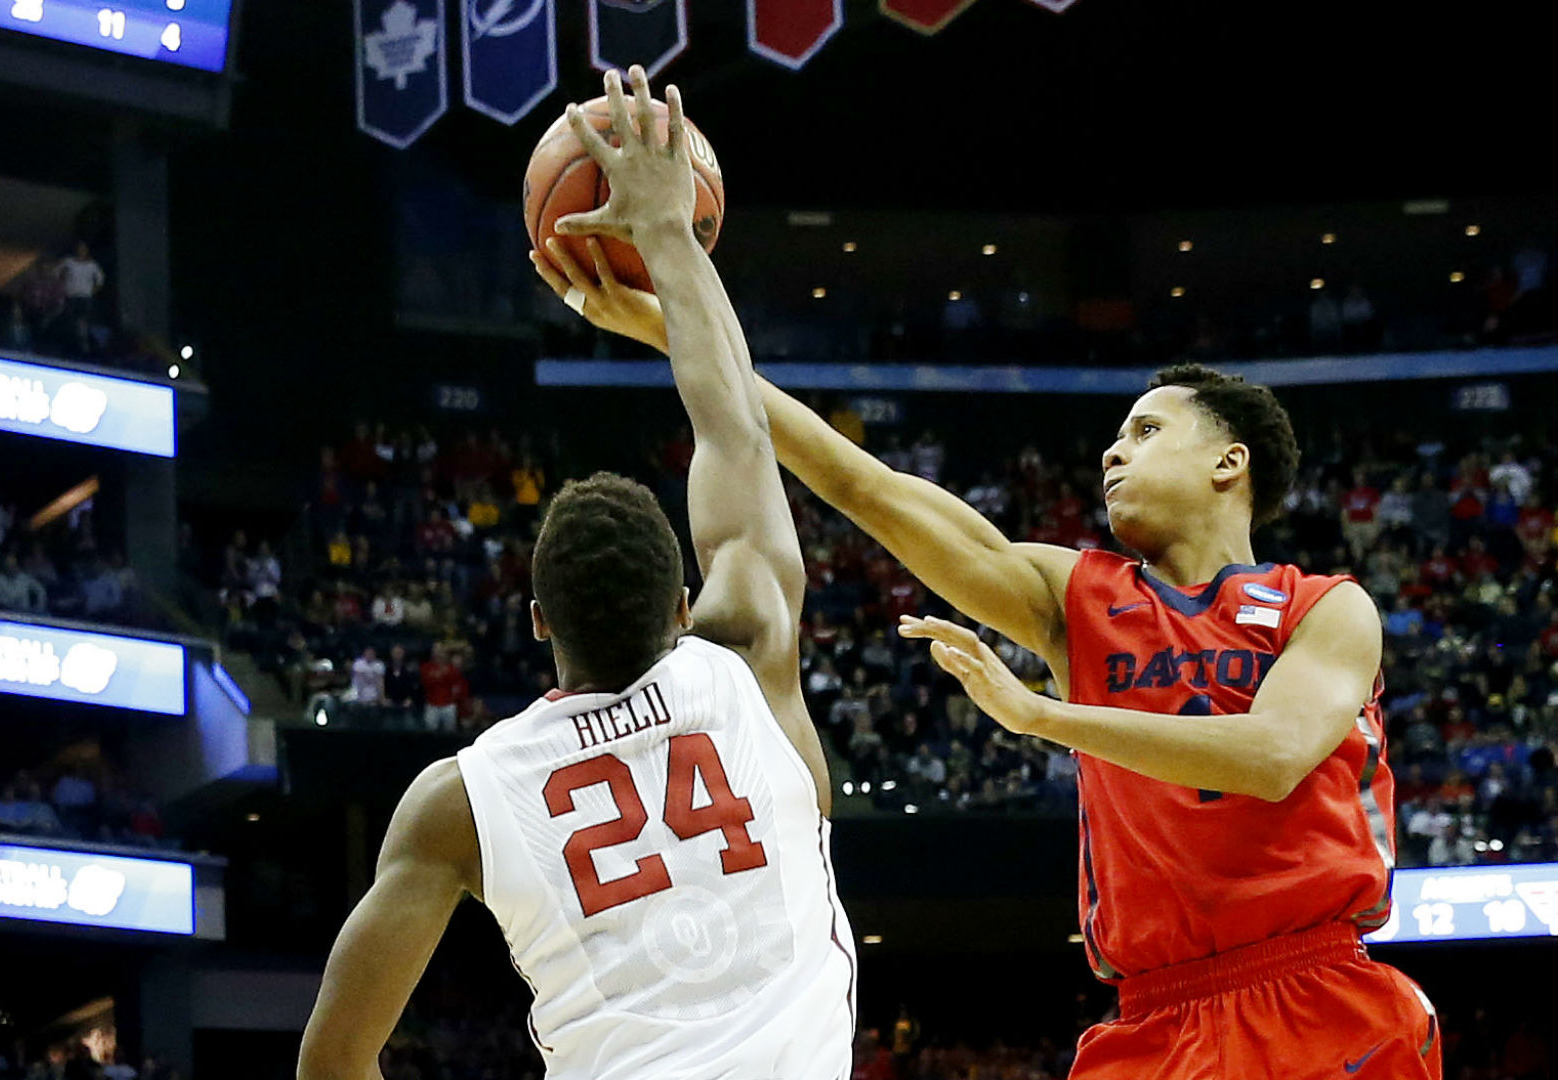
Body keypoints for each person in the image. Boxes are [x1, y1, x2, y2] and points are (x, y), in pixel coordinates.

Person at [544, 212, 1437, 1077]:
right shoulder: (1077, 598)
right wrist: (676, 331)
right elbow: (871, 487)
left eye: (1146, 431)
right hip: (1154, 1019)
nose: (1112, 454)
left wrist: (1040, 714)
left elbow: (1274, 756)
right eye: (1116, 438)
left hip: (1318, 998)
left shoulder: (1323, 608)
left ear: (1228, 463)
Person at [302, 67, 853, 1080]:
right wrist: (670, 240)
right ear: (686, 603)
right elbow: (735, 430)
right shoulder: (747, 665)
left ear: (537, 619)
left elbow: (333, 1061)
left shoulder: (456, 799)